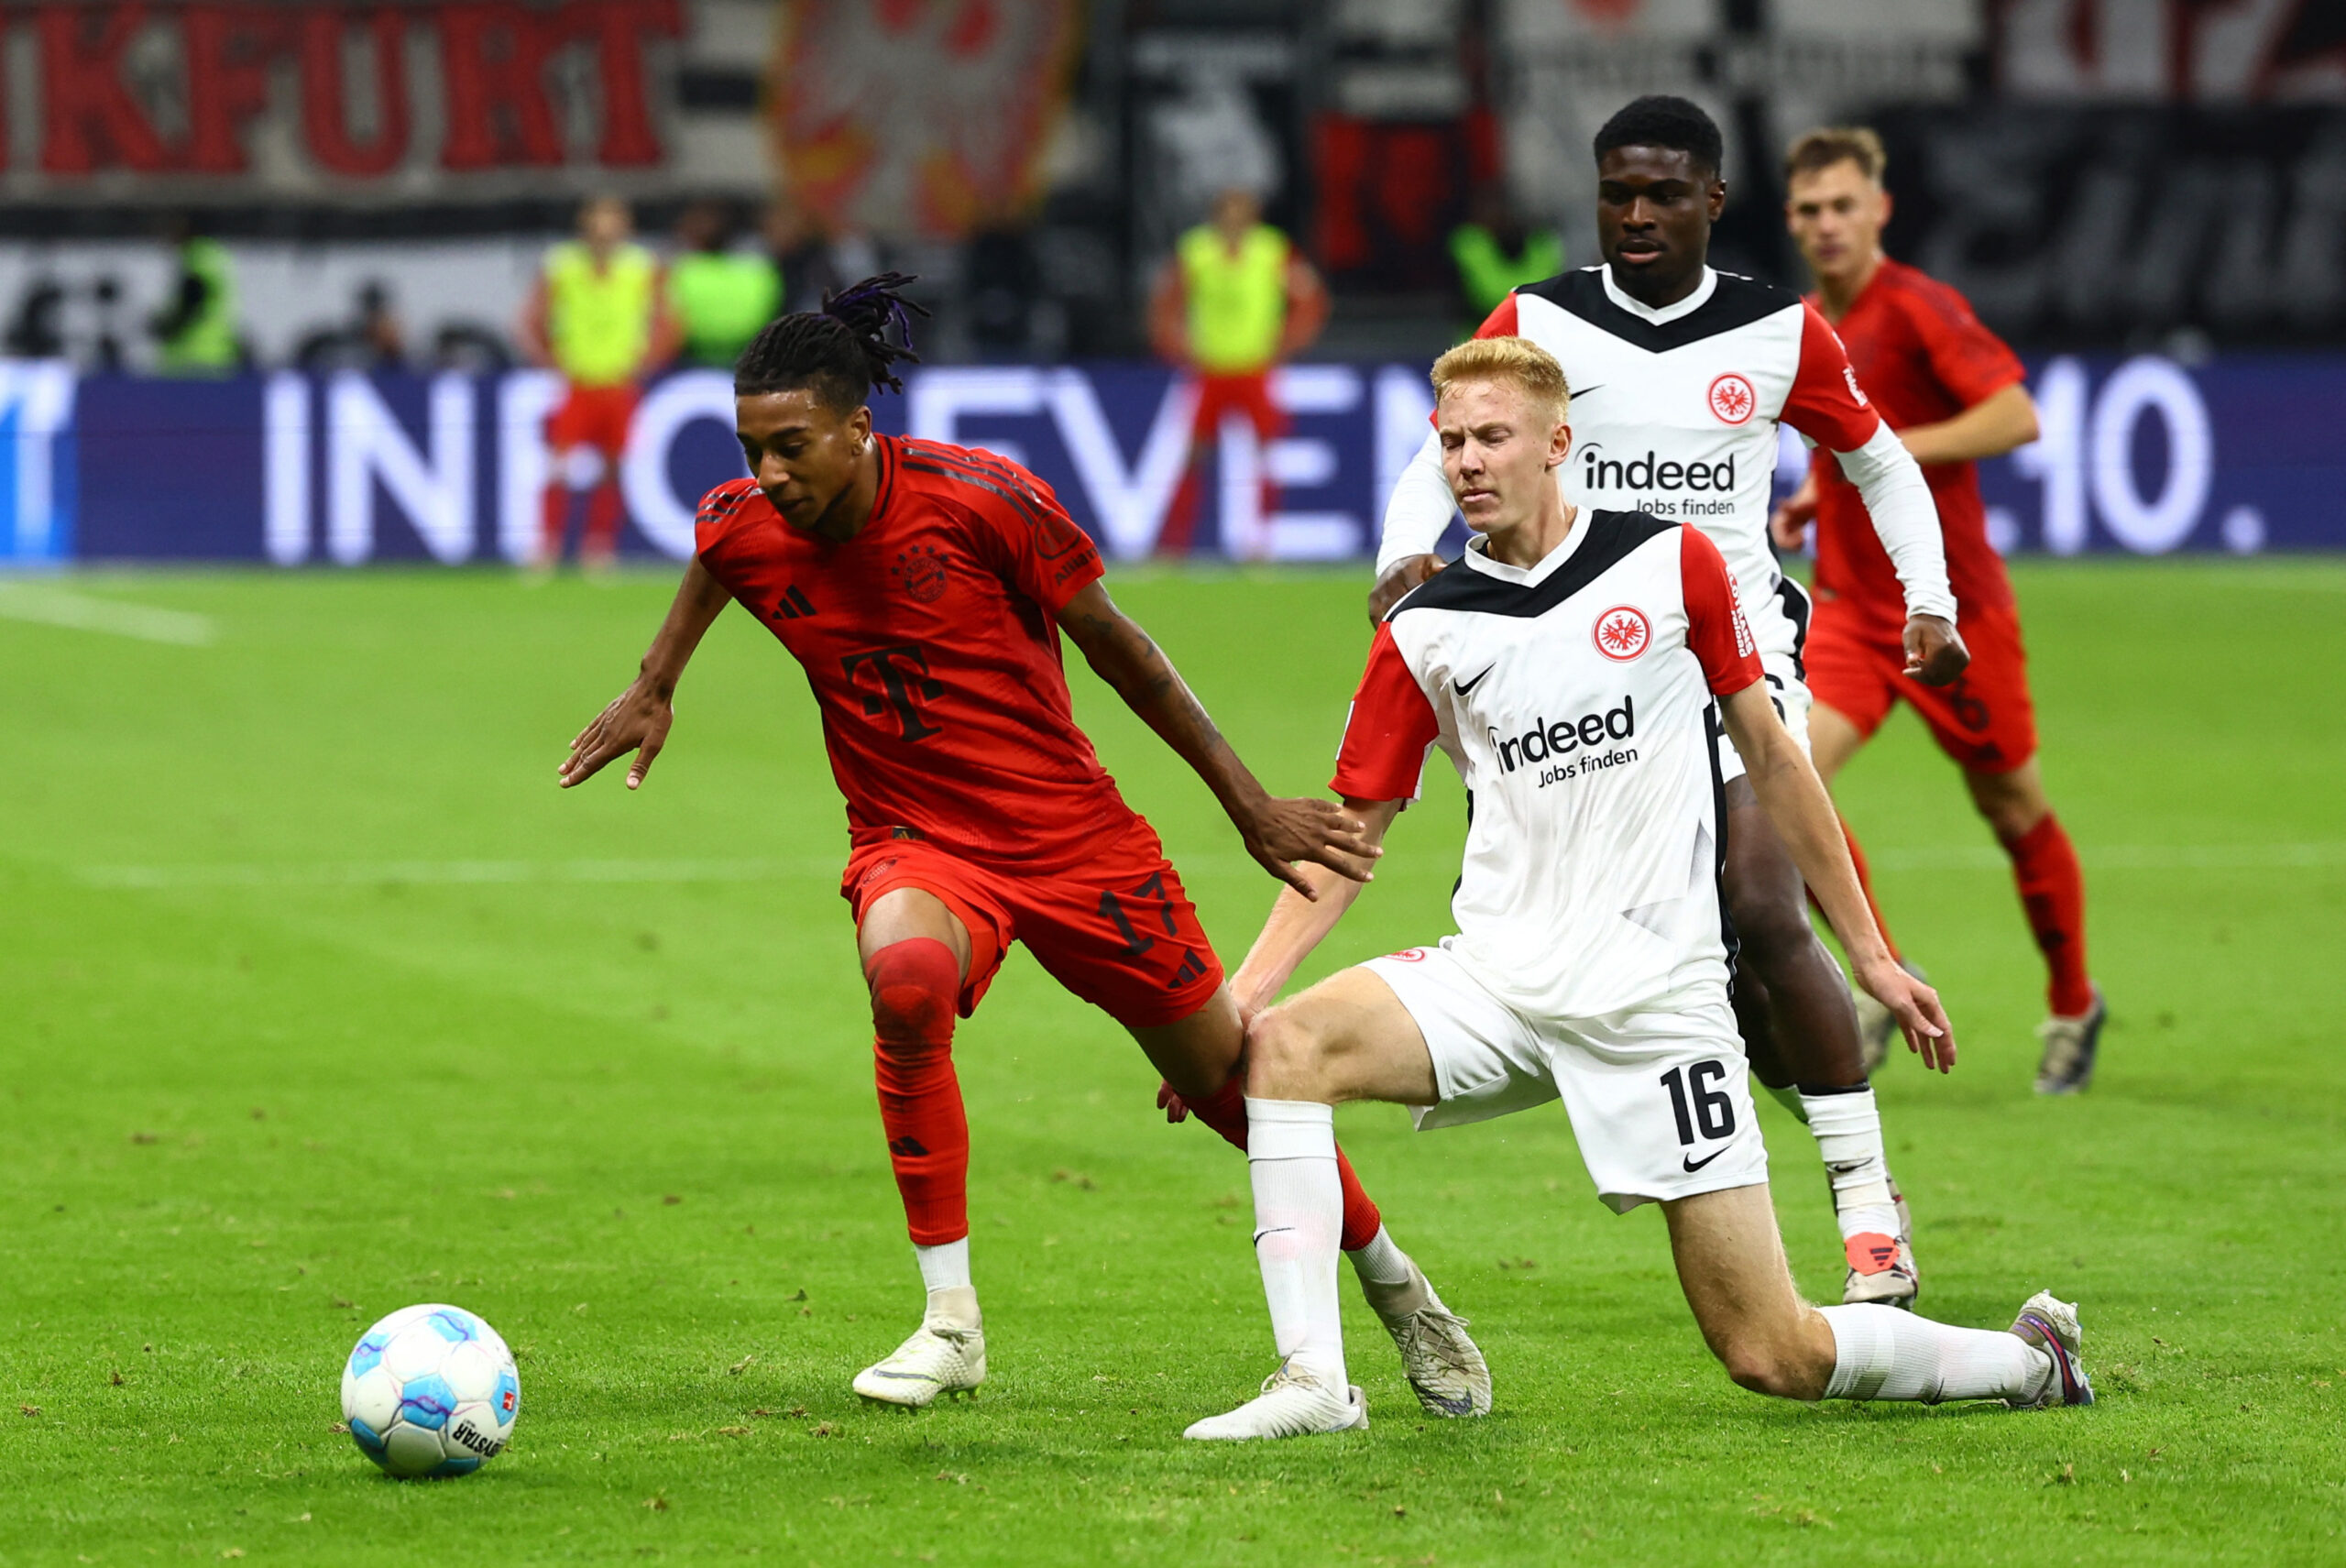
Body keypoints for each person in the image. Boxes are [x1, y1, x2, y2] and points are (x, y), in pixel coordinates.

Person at [556, 276, 1490, 1416]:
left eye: (792, 447)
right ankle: (950, 1320)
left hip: (1077, 844)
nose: (769, 475)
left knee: (1225, 1087)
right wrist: (656, 684)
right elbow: (720, 554)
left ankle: (1398, 1289)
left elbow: (1125, 650)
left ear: (861, 426)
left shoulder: (981, 499)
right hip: (915, 839)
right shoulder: (745, 523)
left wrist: (1245, 805)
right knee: (904, 982)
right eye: (751, 448)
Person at [1186, 336, 2090, 1441]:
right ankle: (1315, 1383)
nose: (1467, 461)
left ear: (1558, 443)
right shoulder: (1422, 628)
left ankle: (2027, 1359)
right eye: (1451, 441)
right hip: (1498, 978)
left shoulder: (1671, 566)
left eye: (1492, 437)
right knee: (1283, 1047)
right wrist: (1244, 987)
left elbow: (1775, 762)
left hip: (1658, 1004)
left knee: (1773, 1352)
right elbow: (1346, 838)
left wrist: (1871, 956)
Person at [1369, 96, 1963, 1308]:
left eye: (1661, 193)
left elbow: (1880, 457)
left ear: (1712, 201)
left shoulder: (1778, 330)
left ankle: (1867, 1216)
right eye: (1616, 193)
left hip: (1737, 652)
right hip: (1593, 665)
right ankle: (1804, 1110)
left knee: (1760, 895)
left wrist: (1929, 598)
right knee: (1707, 969)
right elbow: (1445, 440)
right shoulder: (1541, 320)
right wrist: (1400, 555)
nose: (1636, 214)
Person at [1771, 127, 2102, 1094]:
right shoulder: (1799, 327)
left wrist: (1882, 446)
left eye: (1843, 206)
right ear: (1789, 221)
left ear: (1878, 210)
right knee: (1785, 779)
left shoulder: (1917, 308)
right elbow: (1840, 455)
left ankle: (2074, 1001)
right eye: (1808, 210)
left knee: (2010, 807)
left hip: (1949, 614)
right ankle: (1880, 978)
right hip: (1844, 609)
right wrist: (1812, 494)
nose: (1826, 225)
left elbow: (2015, 414)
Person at [1146, 188, 1330, 556]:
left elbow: (1310, 299)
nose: (1233, 218)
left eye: (1240, 210)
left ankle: (1260, 544)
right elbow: (1166, 300)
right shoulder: (1196, 250)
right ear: (1216, 213)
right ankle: (1174, 545)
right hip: (1210, 370)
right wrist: (1175, 346)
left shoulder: (1272, 250)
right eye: (1227, 210)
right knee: (1192, 456)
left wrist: (1287, 342)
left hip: (1254, 369)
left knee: (1264, 455)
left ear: (1253, 214)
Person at [518, 196, 677, 572]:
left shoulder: (642, 267)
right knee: (558, 462)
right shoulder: (563, 266)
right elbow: (532, 317)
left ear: (625, 230)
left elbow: (668, 321)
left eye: (613, 227)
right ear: (586, 229)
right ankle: (548, 546)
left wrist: (647, 361)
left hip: (619, 382)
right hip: (578, 380)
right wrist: (550, 360)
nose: (605, 235)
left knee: (614, 465)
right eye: (599, 227)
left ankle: (599, 547)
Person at [669, 200, 782, 371]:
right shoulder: (759, 271)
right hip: (748, 358)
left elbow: (673, 321)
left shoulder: (682, 271)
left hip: (692, 361)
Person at [1449, 183, 1564, 326]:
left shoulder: (1542, 243)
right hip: (1479, 343)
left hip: (1533, 341)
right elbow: (1489, 296)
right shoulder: (1469, 244)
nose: (1497, 215)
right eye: (1488, 209)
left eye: (1502, 209)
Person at [149, 214, 239, 377]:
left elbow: (191, 303)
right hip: (216, 353)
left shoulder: (196, 259)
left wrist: (166, 327)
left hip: (191, 356)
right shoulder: (212, 256)